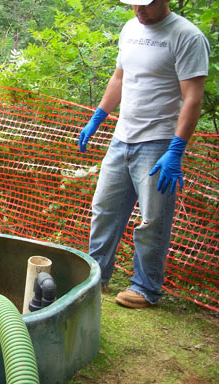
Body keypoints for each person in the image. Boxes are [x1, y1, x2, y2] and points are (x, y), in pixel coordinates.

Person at [78, 0, 209, 309]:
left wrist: (176, 149)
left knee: (153, 219)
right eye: (134, 3)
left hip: (159, 142)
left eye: (145, 3)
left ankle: (145, 288)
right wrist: (98, 117)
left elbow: (193, 98)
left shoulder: (187, 36)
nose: (139, 9)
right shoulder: (130, 28)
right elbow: (120, 78)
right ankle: (97, 276)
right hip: (121, 138)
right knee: (103, 210)